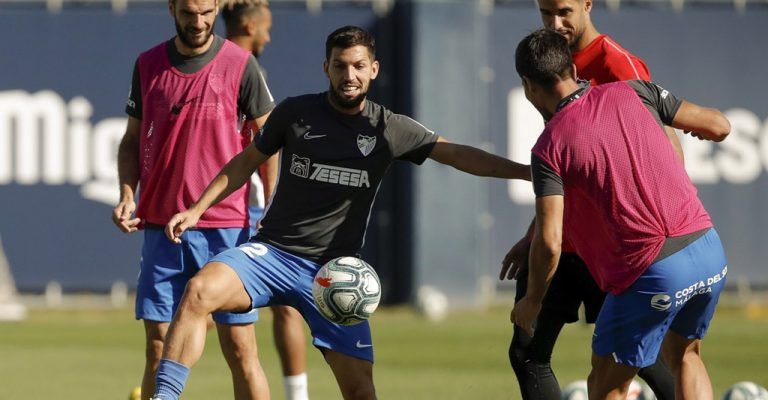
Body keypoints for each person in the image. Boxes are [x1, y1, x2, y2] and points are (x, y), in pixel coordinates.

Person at [147, 25, 530, 400]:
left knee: (361, 391)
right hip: (272, 254)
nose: (350, 75)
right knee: (199, 291)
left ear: (374, 69)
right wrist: (197, 209)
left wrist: (528, 172)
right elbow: (245, 162)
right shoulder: (295, 113)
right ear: (326, 68)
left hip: (335, 276)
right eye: (341, 65)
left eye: (359, 66)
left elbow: (459, 154)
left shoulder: (389, 128)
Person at [509, 28, 730, 399]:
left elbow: (549, 241)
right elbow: (719, 126)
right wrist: (695, 131)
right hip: (708, 249)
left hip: (654, 269)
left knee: (606, 384)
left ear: (529, 86)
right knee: (686, 356)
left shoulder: (550, 146)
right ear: (571, 69)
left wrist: (532, 300)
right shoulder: (634, 90)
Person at [500, 0, 679, 398]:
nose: (555, 22)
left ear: (587, 4)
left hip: (612, 247)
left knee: (642, 358)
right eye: (546, 13)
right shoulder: (550, 61)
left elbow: (665, 147)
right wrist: (535, 234)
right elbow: (564, 175)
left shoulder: (617, 65)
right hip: (563, 241)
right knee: (528, 352)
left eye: (564, 11)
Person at [112, 0, 275, 398]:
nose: (199, 21)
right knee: (157, 348)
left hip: (226, 229)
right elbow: (132, 141)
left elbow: (268, 145)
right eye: (189, 12)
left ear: (217, 6)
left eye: (206, 12)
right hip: (161, 227)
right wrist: (127, 194)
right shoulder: (147, 64)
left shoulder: (241, 65)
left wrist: (271, 209)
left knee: (239, 349)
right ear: (171, 8)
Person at [222, 2, 311, 399]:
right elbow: (267, 144)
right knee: (281, 299)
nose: (269, 37)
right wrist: (275, 202)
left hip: (227, 205)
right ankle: (298, 395)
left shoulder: (215, 64)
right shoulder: (244, 68)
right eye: (266, 28)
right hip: (249, 205)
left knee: (209, 299)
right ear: (249, 24)